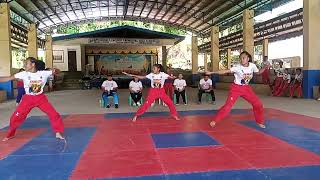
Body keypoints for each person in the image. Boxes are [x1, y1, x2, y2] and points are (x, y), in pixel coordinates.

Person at [0, 57, 64, 141]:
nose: (24, 65)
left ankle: (58, 132)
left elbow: (57, 72)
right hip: (28, 99)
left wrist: (55, 70)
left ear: (33, 64)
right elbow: (8, 78)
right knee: (14, 118)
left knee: (54, 114)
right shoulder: (23, 74)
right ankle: (10, 134)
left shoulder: (43, 73)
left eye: (26, 63)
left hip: (40, 98)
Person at [205, 51, 269, 129]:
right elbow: (225, 71)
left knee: (258, 104)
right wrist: (211, 72)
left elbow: (258, 72)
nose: (242, 60)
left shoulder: (252, 66)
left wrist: (265, 68)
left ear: (248, 58)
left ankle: (259, 121)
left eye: (243, 58)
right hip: (236, 88)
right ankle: (215, 120)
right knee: (228, 106)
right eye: (240, 58)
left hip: (246, 88)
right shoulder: (237, 67)